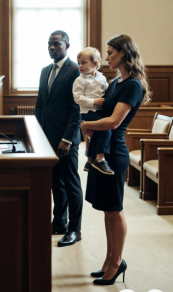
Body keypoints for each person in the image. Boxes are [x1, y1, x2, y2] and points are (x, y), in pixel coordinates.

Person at [80, 34, 151, 285]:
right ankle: (109, 260)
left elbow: (114, 122)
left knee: (115, 209)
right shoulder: (114, 82)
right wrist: (91, 124)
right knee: (107, 210)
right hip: (103, 148)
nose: (106, 56)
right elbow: (103, 113)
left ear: (123, 53)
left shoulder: (132, 84)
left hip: (115, 151)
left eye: (110, 52)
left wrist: (86, 124)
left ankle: (117, 261)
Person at [35, 30, 83, 247]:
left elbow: (76, 109)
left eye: (56, 44)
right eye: (49, 44)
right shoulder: (45, 70)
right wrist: (37, 131)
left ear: (67, 46)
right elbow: (40, 104)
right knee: (56, 183)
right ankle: (59, 223)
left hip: (66, 140)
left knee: (71, 184)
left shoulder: (75, 70)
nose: (52, 48)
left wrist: (67, 139)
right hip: (47, 137)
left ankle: (75, 230)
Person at [73, 47, 114, 175]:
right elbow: (77, 98)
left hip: (99, 111)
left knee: (96, 136)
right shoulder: (80, 80)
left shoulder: (101, 78)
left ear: (95, 64)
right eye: (79, 63)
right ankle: (100, 159)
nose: (80, 66)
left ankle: (90, 161)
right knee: (105, 130)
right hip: (88, 111)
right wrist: (93, 101)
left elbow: (106, 91)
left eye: (84, 63)